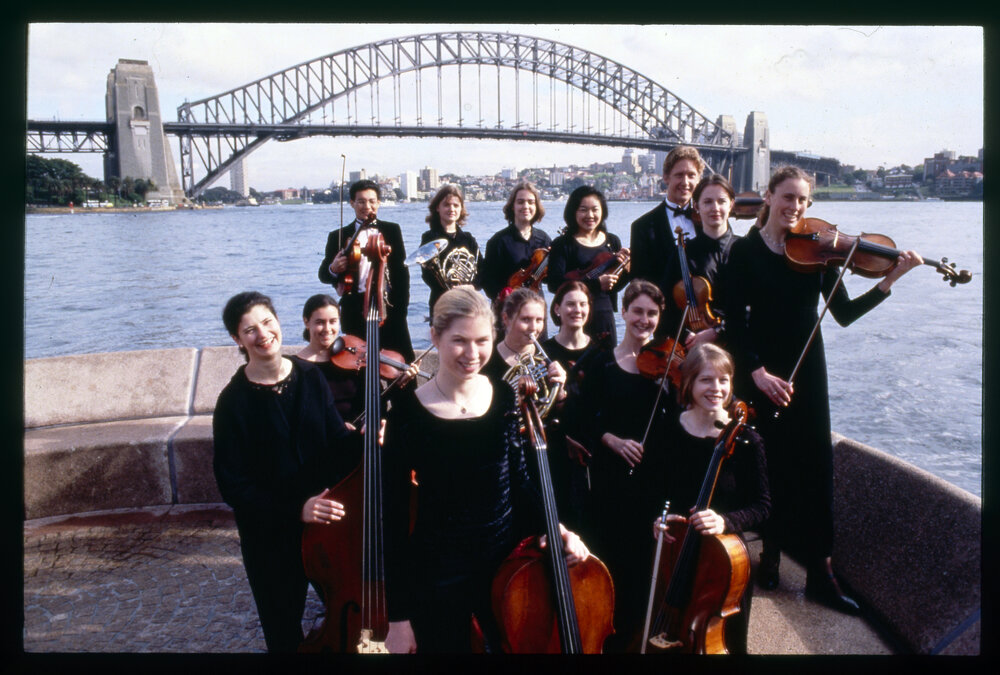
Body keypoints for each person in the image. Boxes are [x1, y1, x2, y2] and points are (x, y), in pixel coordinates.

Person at [721, 166, 922, 614]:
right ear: (769, 197)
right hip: (761, 371)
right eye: (787, 197)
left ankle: (820, 573)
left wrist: (891, 280)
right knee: (769, 463)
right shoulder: (744, 252)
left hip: (808, 369)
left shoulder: (820, 249)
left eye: (803, 201)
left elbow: (845, 313)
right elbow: (734, 326)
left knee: (815, 465)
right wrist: (755, 373)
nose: (795, 207)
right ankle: (771, 551)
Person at [381, 286, 590, 653]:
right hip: (439, 576)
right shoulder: (408, 413)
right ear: (435, 336)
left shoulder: (505, 395)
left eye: (482, 340)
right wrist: (398, 619)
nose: (473, 353)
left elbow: (522, 481)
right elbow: (393, 521)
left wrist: (554, 527)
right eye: (459, 340)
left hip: (507, 570)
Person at [212, 291, 360, 652]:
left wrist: (367, 442)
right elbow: (234, 487)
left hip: (325, 527)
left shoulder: (310, 376)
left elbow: (336, 446)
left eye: (267, 322)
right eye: (250, 330)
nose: (262, 334)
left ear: (278, 322)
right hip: (270, 536)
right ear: (237, 339)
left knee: (346, 618)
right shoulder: (233, 402)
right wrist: (297, 508)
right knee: (284, 635)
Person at [573, 279, 675, 652]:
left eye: (652, 313)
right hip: (610, 479)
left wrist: (676, 387)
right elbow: (582, 419)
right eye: (638, 311)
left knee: (642, 571)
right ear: (624, 312)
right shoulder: (602, 363)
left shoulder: (668, 367)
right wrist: (612, 440)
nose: (644, 320)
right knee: (609, 559)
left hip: (652, 482)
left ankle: (635, 639)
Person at [649, 343, 770, 654]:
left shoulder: (745, 440)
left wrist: (725, 521)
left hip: (723, 564)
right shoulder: (669, 430)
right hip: (674, 556)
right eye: (706, 379)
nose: (715, 388)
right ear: (688, 383)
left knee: (723, 643)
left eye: (723, 380)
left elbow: (762, 506)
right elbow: (653, 490)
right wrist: (657, 518)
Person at [540, 280, 610, 535]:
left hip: (592, 446)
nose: (577, 310)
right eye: (570, 304)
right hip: (556, 446)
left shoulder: (603, 351)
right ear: (557, 309)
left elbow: (604, 406)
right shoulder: (543, 351)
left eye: (583, 304)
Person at [319, 179, 415, 362]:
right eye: (361, 201)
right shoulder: (337, 236)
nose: (367, 206)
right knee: (359, 366)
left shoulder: (392, 230)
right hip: (354, 308)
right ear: (352, 203)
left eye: (372, 201)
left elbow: (402, 275)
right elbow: (324, 275)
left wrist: (401, 310)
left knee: (402, 362)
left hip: (388, 306)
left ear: (379, 203)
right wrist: (333, 268)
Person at [658, 173, 741, 346]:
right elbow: (665, 309)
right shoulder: (683, 253)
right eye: (708, 202)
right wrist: (688, 338)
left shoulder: (746, 249)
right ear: (696, 206)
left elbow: (756, 306)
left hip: (740, 345)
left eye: (721, 201)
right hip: (696, 345)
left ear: (731, 204)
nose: (715, 208)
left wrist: (719, 331)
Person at [546, 185, 629, 344]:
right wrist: (596, 284)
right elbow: (554, 284)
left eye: (595, 209)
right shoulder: (562, 244)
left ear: (602, 211)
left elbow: (614, 287)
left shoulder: (612, 241)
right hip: (574, 318)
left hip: (604, 316)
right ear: (573, 212)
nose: (590, 215)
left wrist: (627, 271)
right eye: (583, 210)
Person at [629, 146, 705, 289]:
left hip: (706, 310)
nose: (685, 182)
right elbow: (640, 284)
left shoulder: (709, 219)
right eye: (679, 175)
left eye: (691, 175)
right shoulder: (642, 227)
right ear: (666, 177)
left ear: (699, 179)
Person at [290, 294, 364, 426]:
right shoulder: (294, 367)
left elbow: (373, 400)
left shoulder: (353, 361)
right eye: (320, 322)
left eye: (333, 321)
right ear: (306, 322)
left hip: (357, 435)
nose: (327, 329)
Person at [479, 287, 567, 398]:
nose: (534, 327)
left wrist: (560, 392)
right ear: (506, 318)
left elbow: (563, 411)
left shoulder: (551, 357)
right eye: (525, 319)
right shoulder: (486, 359)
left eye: (539, 320)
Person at [479, 181, 552, 306]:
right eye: (520, 202)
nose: (526, 206)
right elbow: (487, 280)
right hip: (507, 307)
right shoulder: (498, 241)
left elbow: (549, 279)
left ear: (536, 206)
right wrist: (502, 296)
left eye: (531, 202)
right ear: (513, 206)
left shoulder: (543, 239)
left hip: (536, 306)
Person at [418, 184, 481, 320]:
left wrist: (472, 286)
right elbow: (427, 275)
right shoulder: (429, 238)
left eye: (456, 205)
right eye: (446, 205)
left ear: (461, 209)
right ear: (437, 208)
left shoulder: (468, 239)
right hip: (442, 304)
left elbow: (483, 270)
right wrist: (450, 290)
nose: (451, 209)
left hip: (468, 302)